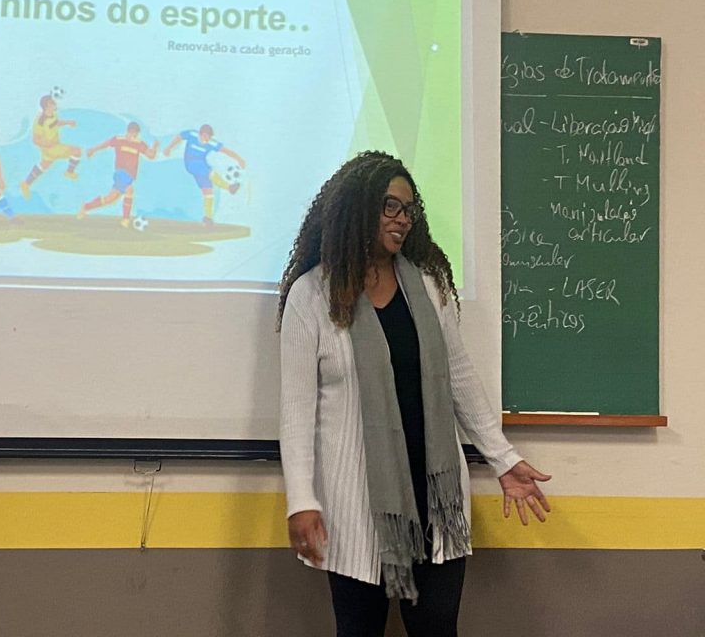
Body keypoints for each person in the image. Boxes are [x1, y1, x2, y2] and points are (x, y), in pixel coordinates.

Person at [277, 151, 550, 637]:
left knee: (438, 628)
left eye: (408, 209)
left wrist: (503, 458)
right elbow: (297, 412)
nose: (402, 219)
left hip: (436, 502)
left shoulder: (428, 287)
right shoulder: (312, 296)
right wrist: (301, 500)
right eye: (390, 206)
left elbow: (459, 378)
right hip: (356, 506)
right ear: (357, 207)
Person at [78, 121, 159, 227]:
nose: (133, 136)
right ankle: (125, 219)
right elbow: (106, 144)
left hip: (130, 176)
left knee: (110, 198)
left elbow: (151, 155)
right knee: (129, 190)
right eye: (132, 133)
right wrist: (93, 149)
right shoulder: (119, 139)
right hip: (120, 173)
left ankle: (86, 207)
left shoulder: (139, 144)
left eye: (135, 134)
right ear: (128, 131)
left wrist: (155, 147)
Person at [163, 123, 245, 225]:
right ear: (200, 134)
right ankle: (228, 187)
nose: (206, 140)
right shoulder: (192, 134)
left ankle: (208, 218)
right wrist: (169, 148)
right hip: (190, 163)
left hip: (201, 165)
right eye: (205, 137)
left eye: (209, 138)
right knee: (208, 172)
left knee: (208, 191)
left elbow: (226, 151)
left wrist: (239, 159)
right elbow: (179, 137)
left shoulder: (211, 143)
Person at [20, 94, 81, 198]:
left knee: (44, 165)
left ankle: (25, 184)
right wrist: (48, 144)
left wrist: (68, 122)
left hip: (54, 146)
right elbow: (35, 139)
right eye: (52, 102)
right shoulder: (40, 121)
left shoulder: (54, 114)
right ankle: (69, 172)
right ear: (47, 105)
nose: (55, 103)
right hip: (51, 148)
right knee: (76, 151)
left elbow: (56, 123)